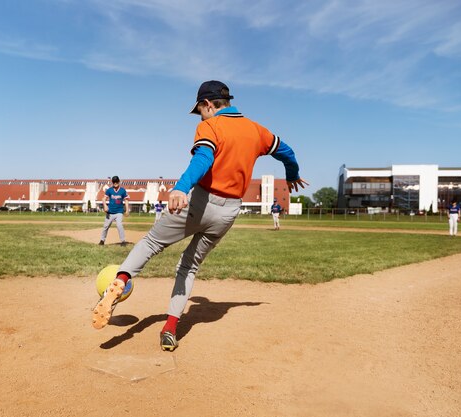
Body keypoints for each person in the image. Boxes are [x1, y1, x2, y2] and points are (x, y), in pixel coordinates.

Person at [92, 80, 308, 351]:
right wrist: (292, 175)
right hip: (229, 212)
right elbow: (288, 152)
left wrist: (181, 187)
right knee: (188, 266)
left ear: (208, 104)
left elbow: (203, 159)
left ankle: (121, 281)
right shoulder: (257, 130)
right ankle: (170, 328)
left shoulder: (211, 126)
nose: (200, 116)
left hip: (202, 202)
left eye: (200, 110)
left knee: (151, 243)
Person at [99, 176, 129, 246]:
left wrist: (127, 210)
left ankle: (123, 241)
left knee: (119, 225)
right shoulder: (109, 190)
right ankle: (102, 240)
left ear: (119, 182)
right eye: (114, 182)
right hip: (110, 212)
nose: (115, 183)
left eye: (116, 181)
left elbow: (126, 200)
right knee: (105, 226)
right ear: (112, 182)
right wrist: (105, 206)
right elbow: (104, 199)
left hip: (119, 212)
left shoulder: (123, 190)